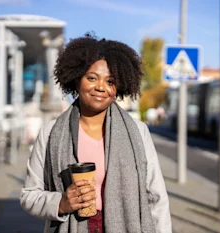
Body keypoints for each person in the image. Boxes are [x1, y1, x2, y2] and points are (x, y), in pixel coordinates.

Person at [20, 34, 172, 233]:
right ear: (76, 80)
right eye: (92, 78)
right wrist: (61, 202)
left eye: (110, 81)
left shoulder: (138, 131)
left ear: (118, 88)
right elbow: (29, 195)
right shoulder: (51, 133)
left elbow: (156, 197)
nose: (101, 87)